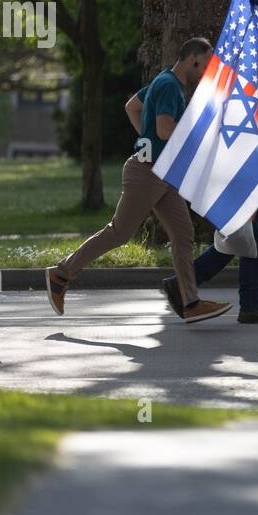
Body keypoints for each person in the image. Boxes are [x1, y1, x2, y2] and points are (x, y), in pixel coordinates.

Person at [46, 38, 231, 323]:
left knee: (183, 235)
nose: (206, 71)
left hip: (161, 173)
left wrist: (146, 140)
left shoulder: (164, 80)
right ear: (193, 58)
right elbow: (166, 130)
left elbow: (132, 106)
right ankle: (61, 275)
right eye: (206, 63)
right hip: (147, 173)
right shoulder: (170, 86)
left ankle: (190, 302)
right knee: (119, 233)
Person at [159, 208, 258, 323]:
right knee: (251, 242)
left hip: (242, 188)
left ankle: (183, 283)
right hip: (243, 188)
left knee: (240, 241)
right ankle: (250, 306)